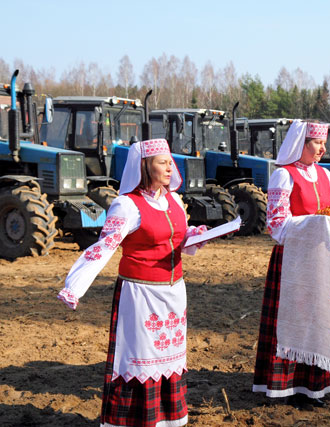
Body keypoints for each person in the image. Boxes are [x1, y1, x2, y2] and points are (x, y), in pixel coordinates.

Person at [57, 138, 207, 427]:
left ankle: (167, 419)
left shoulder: (174, 199)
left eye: (169, 161)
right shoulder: (126, 205)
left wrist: (195, 235)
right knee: (138, 359)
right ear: (145, 166)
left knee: (168, 356)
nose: (169, 167)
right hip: (141, 294)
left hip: (175, 293)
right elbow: (103, 247)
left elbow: (176, 236)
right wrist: (74, 287)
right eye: (162, 162)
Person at [252, 119, 330, 407]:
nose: (322, 148)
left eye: (323, 143)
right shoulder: (283, 176)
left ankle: (315, 385)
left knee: (319, 317)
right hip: (292, 260)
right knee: (295, 318)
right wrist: (316, 223)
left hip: (321, 258)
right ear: (300, 144)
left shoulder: (326, 176)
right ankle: (285, 384)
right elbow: (276, 226)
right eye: (317, 142)